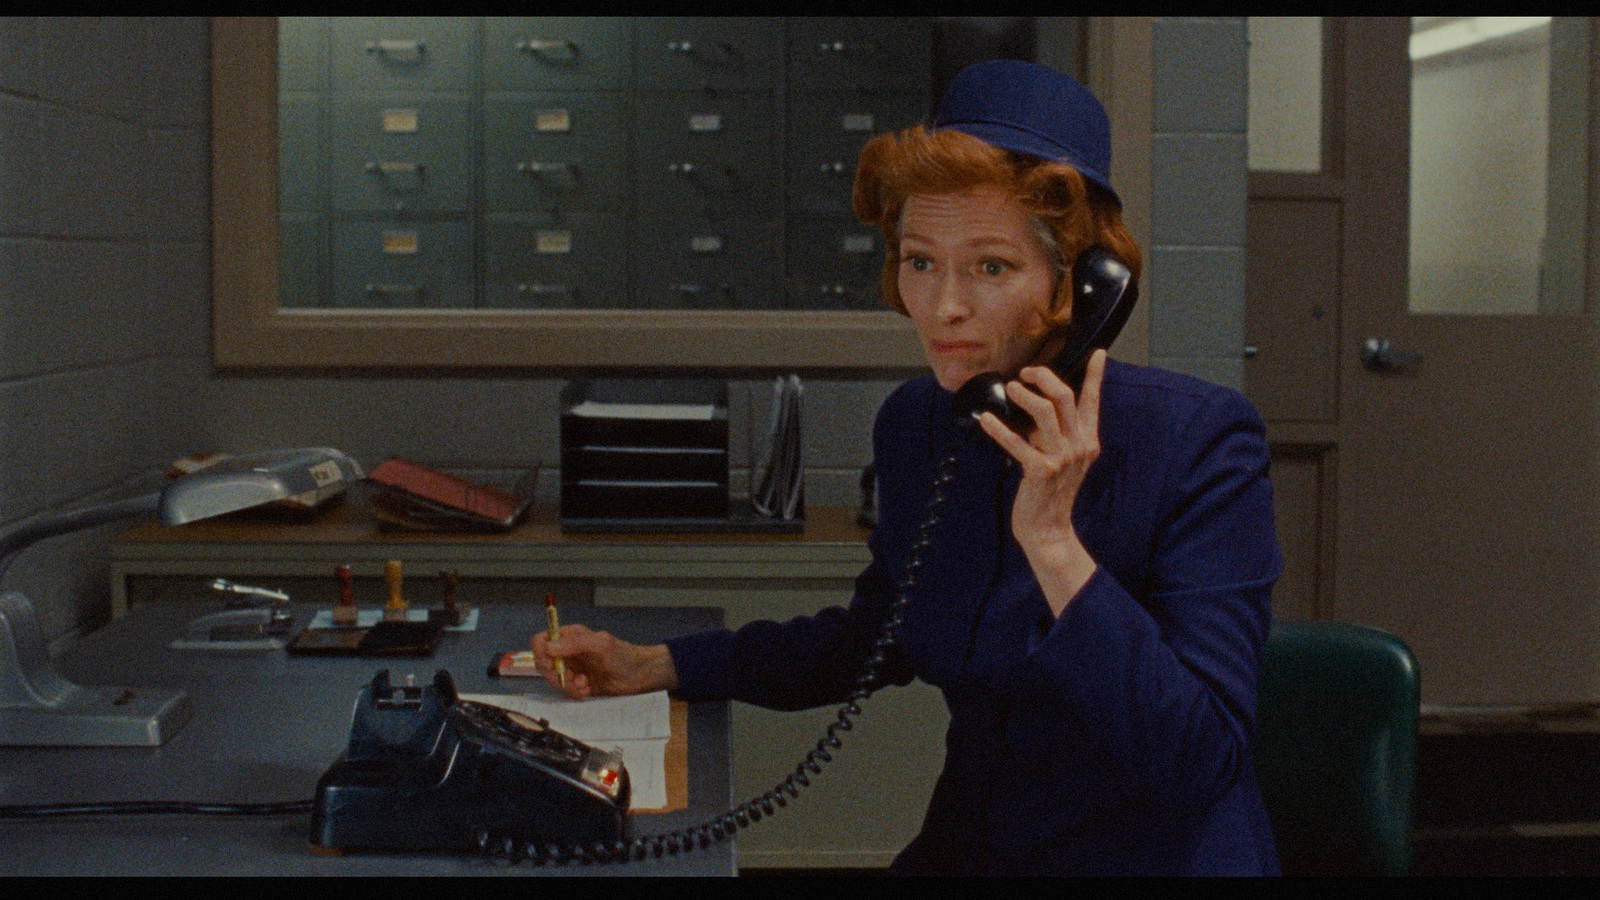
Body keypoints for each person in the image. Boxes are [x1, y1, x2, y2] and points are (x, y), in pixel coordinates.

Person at [532, 59, 1282, 876]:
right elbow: (873, 638)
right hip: (974, 850)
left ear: (1081, 283)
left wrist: (1057, 549)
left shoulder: (1199, 444)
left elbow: (1198, 759)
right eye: (921, 261)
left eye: (990, 267)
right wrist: (661, 663)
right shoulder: (921, 426)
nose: (943, 305)